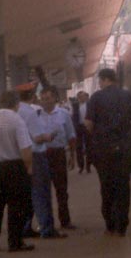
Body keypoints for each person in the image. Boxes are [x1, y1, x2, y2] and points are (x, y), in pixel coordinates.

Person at [85, 68, 131, 236]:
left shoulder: (96, 97)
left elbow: (89, 124)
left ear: (104, 79)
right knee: (123, 186)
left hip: (104, 149)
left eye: (100, 81)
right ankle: (122, 226)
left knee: (106, 186)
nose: (99, 84)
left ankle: (110, 224)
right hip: (125, 148)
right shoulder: (128, 96)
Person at [0, 90, 35, 253]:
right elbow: (25, 149)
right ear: (16, 103)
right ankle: (15, 241)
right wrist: (29, 167)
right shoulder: (17, 121)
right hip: (15, 167)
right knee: (17, 205)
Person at [17, 85, 57, 238]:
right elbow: (37, 138)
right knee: (41, 192)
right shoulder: (30, 112)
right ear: (33, 96)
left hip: (20, 155)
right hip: (36, 155)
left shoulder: (16, 111)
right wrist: (50, 136)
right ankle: (46, 228)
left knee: (25, 194)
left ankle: (25, 227)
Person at [39, 86, 76, 232]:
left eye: (48, 98)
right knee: (43, 191)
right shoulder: (36, 115)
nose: (45, 102)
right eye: (43, 99)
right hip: (42, 155)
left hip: (59, 154)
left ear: (54, 98)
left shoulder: (64, 114)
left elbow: (71, 135)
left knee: (61, 189)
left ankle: (65, 221)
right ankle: (46, 223)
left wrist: (72, 155)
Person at [71, 90, 91, 173]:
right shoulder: (75, 106)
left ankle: (88, 165)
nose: (82, 98)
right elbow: (72, 116)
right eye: (80, 97)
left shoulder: (89, 105)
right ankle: (81, 166)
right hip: (78, 127)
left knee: (89, 146)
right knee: (79, 147)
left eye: (83, 96)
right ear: (78, 98)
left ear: (85, 97)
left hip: (87, 126)